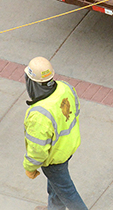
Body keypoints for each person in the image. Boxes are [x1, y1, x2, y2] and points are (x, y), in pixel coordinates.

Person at [23, 56, 88, 210]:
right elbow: (75, 111)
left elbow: (37, 150)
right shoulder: (65, 88)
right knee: (56, 186)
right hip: (67, 148)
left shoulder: (39, 114)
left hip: (54, 159)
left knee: (67, 193)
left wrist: (30, 167)